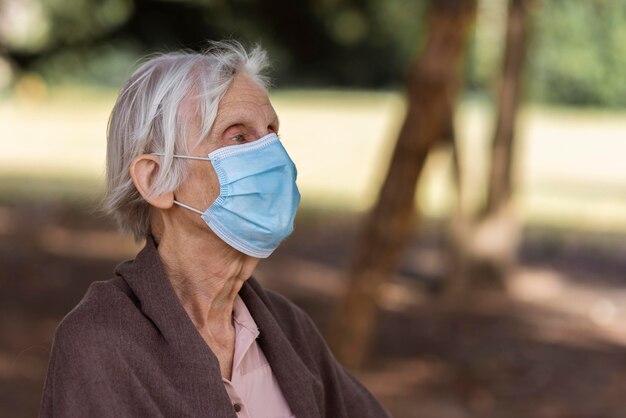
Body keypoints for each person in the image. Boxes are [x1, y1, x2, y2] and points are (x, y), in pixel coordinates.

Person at [39, 41, 391, 418]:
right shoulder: (101, 343)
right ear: (156, 180)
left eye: (272, 132)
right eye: (238, 137)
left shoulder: (286, 328)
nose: (273, 156)